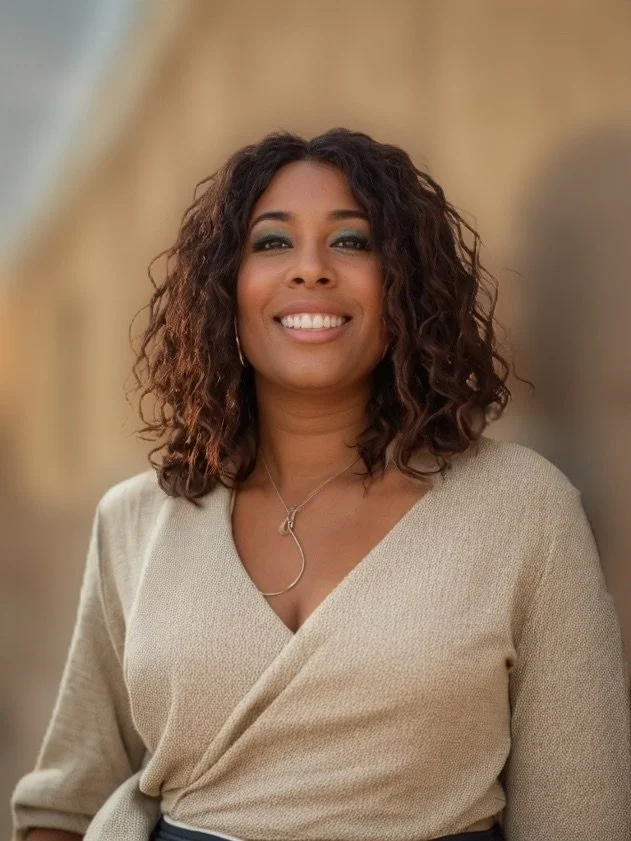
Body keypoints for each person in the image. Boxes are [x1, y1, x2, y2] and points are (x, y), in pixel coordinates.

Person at [11, 129, 631, 841]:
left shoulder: (524, 509)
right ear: (223, 290)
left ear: (404, 286)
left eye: (352, 241)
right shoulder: (136, 519)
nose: (309, 269)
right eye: (271, 243)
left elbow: (581, 812)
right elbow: (64, 803)